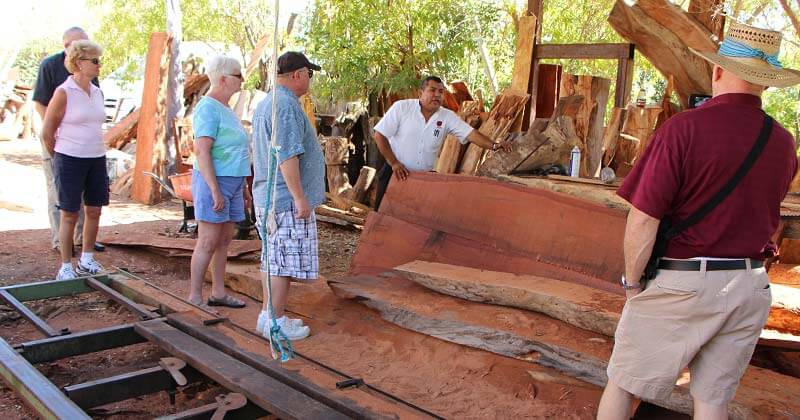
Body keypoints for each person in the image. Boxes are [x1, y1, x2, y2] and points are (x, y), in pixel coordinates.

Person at [597, 21, 799, 420]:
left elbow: (643, 219)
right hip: (749, 284)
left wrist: (633, 283)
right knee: (712, 401)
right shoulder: (783, 141)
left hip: (686, 281)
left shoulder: (683, 129)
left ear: (718, 71)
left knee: (623, 384)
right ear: (766, 83)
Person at [251, 51, 324, 341]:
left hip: (271, 196)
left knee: (273, 259)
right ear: (297, 74)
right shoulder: (284, 105)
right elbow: (287, 153)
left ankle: (269, 315)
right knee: (282, 263)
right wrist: (299, 197)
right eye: (309, 73)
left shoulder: (269, 103)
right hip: (283, 199)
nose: (310, 79)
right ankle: (276, 321)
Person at [372, 76, 513, 208]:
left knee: (416, 225)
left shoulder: (447, 116)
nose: (437, 95)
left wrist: (494, 145)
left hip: (424, 180)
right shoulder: (402, 108)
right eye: (432, 90)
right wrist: (394, 163)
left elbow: (471, 134)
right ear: (421, 93)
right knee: (380, 221)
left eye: (441, 91)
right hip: (395, 173)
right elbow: (379, 135)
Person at [40, 40, 109, 280]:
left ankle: (87, 259)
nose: (100, 65)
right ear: (79, 63)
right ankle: (66, 265)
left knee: (94, 210)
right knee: (69, 213)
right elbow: (47, 132)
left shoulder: (98, 91)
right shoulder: (63, 92)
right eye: (95, 61)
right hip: (69, 159)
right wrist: (58, 157)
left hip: (96, 158)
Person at [187, 55, 252, 308]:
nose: (242, 81)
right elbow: (202, 151)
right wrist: (214, 189)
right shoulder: (208, 108)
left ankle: (218, 292)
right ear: (223, 78)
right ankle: (194, 296)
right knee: (207, 240)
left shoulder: (226, 109)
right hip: (215, 181)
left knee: (224, 240)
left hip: (233, 182)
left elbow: (237, 151)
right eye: (238, 76)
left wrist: (244, 186)